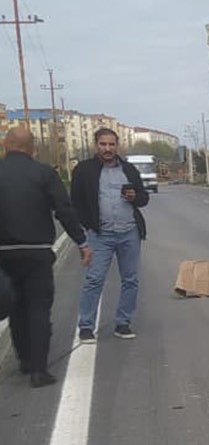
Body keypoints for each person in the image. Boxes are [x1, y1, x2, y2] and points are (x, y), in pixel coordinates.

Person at [0, 126, 92, 387]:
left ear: (6, 145)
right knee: (38, 307)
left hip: (3, 254)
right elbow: (64, 209)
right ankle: (39, 371)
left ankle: (25, 360)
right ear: (33, 148)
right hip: (36, 251)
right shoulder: (43, 173)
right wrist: (82, 242)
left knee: (17, 307)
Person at [71, 127, 149, 341]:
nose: (107, 148)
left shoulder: (129, 170)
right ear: (96, 145)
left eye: (111, 144)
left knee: (130, 279)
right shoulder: (84, 170)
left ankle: (123, 323)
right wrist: (84, 228)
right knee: (94, 280)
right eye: (103, 144)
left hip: (129, 232)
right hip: (100, 234)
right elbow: (75, 202)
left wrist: (135, 196)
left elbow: (144, 199)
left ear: (117, 145)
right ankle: (86, 326)